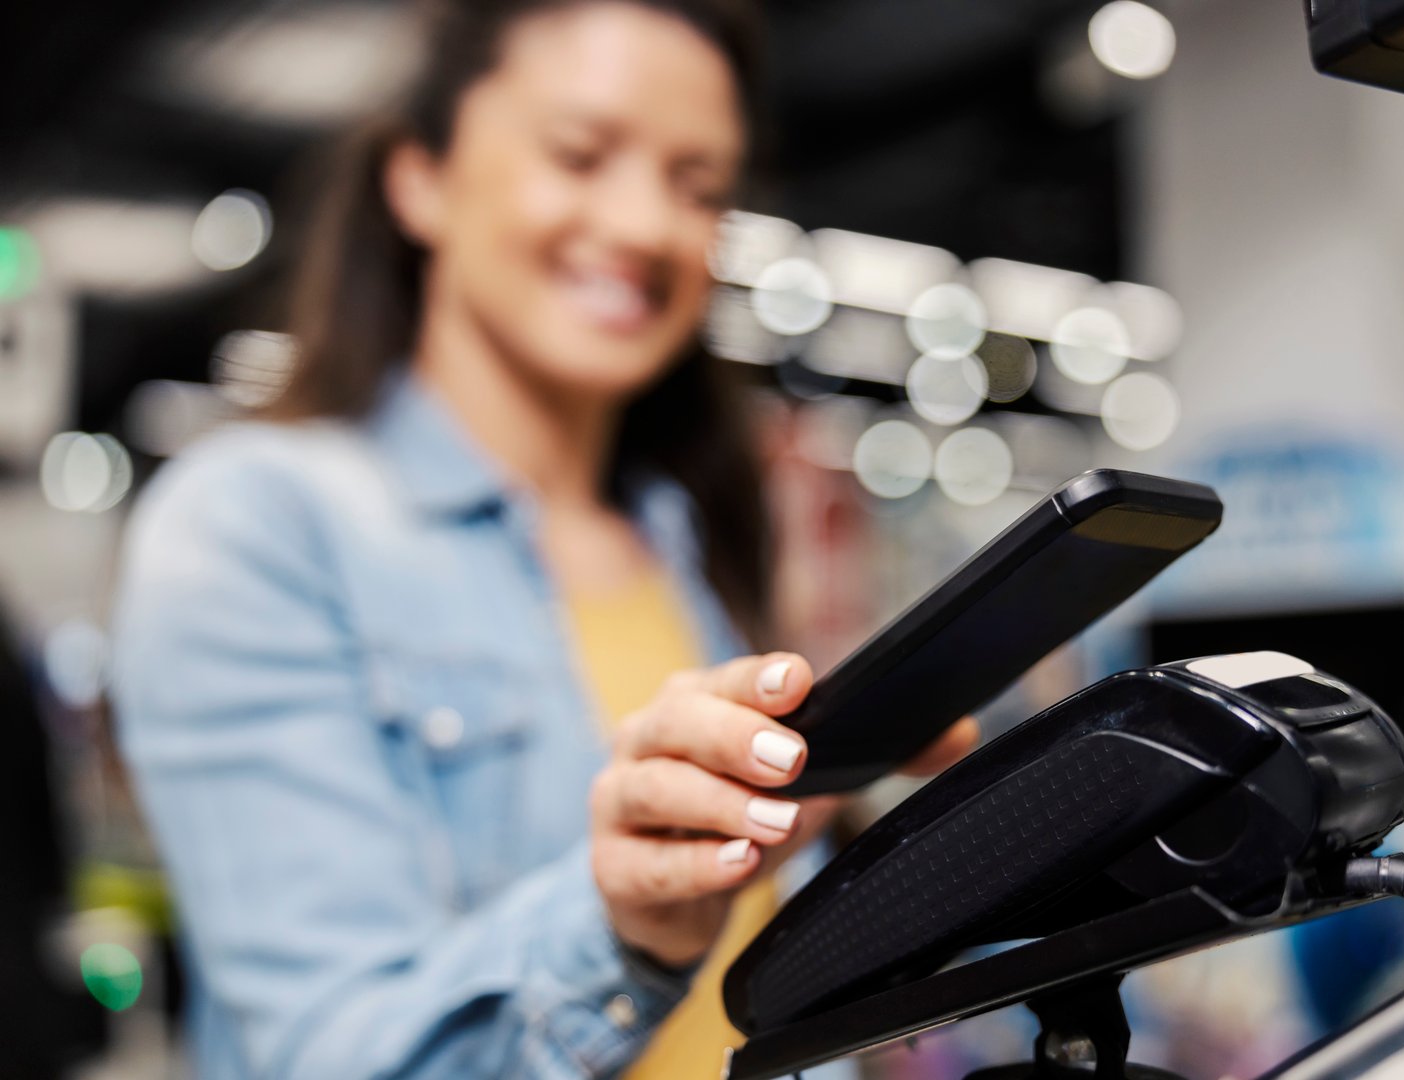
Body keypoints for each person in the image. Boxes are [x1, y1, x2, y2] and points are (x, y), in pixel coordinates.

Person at [110, 0, 977, 1076]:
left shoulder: (688, 529)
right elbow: (327, 1051)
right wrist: (628, 926)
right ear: (419, 175)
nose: (647, 224)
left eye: (697, 184)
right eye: (580, 154)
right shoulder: (253, 524)